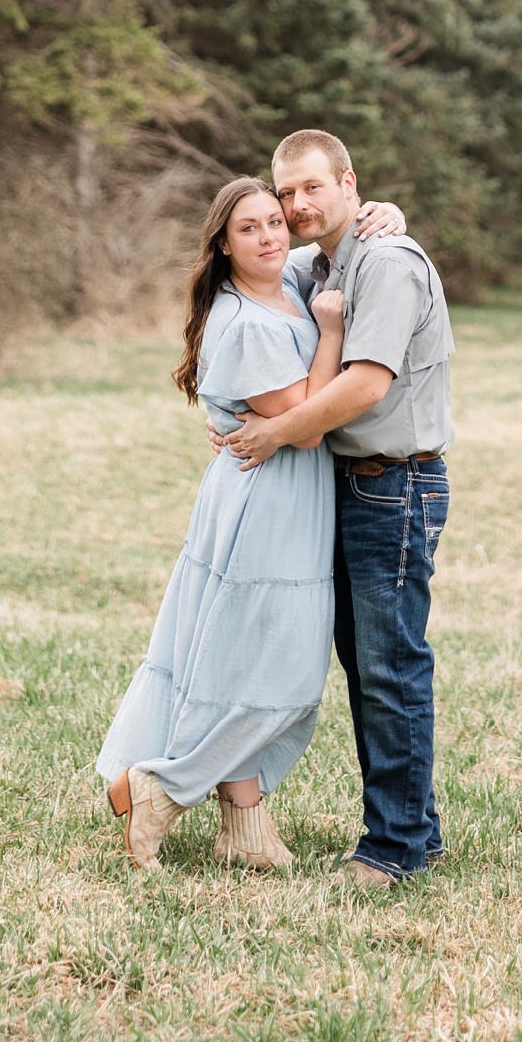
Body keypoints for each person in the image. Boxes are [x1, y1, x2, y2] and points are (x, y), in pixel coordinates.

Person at [96, 176, 406, 872]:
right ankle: (159, 789)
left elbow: (326, 242)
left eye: (275, 221)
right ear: (222, 245)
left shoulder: (284, 282)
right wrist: (333, 331)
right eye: (249, 228)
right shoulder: (246, 321)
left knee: (247, 655)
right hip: (267, 500)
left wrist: (382, 212)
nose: (269, 237)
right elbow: (306, 421)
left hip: (289, 495)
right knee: (276, 665)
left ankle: (244, 826)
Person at [217, 129, 454, 887]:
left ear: (349, 183)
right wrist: (227, 405)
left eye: (313, 187)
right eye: (286, 192)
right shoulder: (316, 263)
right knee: (366, 667)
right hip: (346, 484)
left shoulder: (385, 261)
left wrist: (274, 432)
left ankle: (393, 847)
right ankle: (416, 829)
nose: (295, 205)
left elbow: (366, 384)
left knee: (389, 667)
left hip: (396, 484)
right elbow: (245, 276)